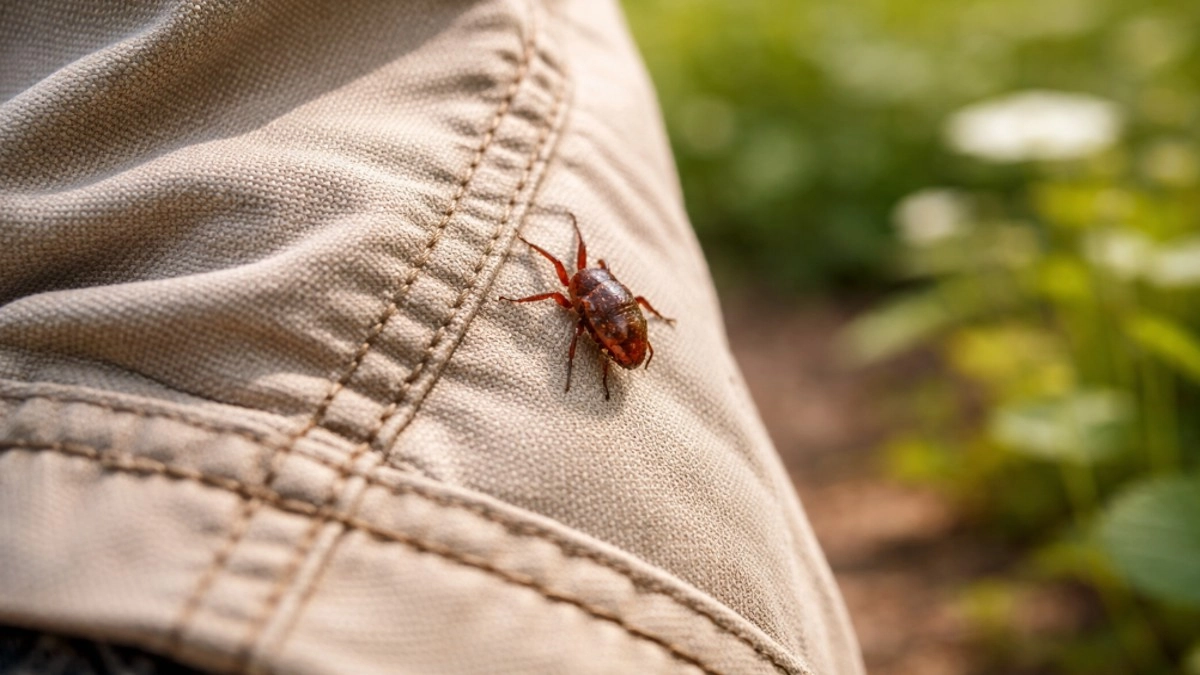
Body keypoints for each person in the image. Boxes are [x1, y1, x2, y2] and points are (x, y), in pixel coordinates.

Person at [0, 1, 864, 672]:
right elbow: (593, 309)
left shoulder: (584, 298)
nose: (576, 283)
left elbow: (582, 312)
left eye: (579, 280)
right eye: (580, 281)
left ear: (592, 289)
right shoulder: (594, 292)